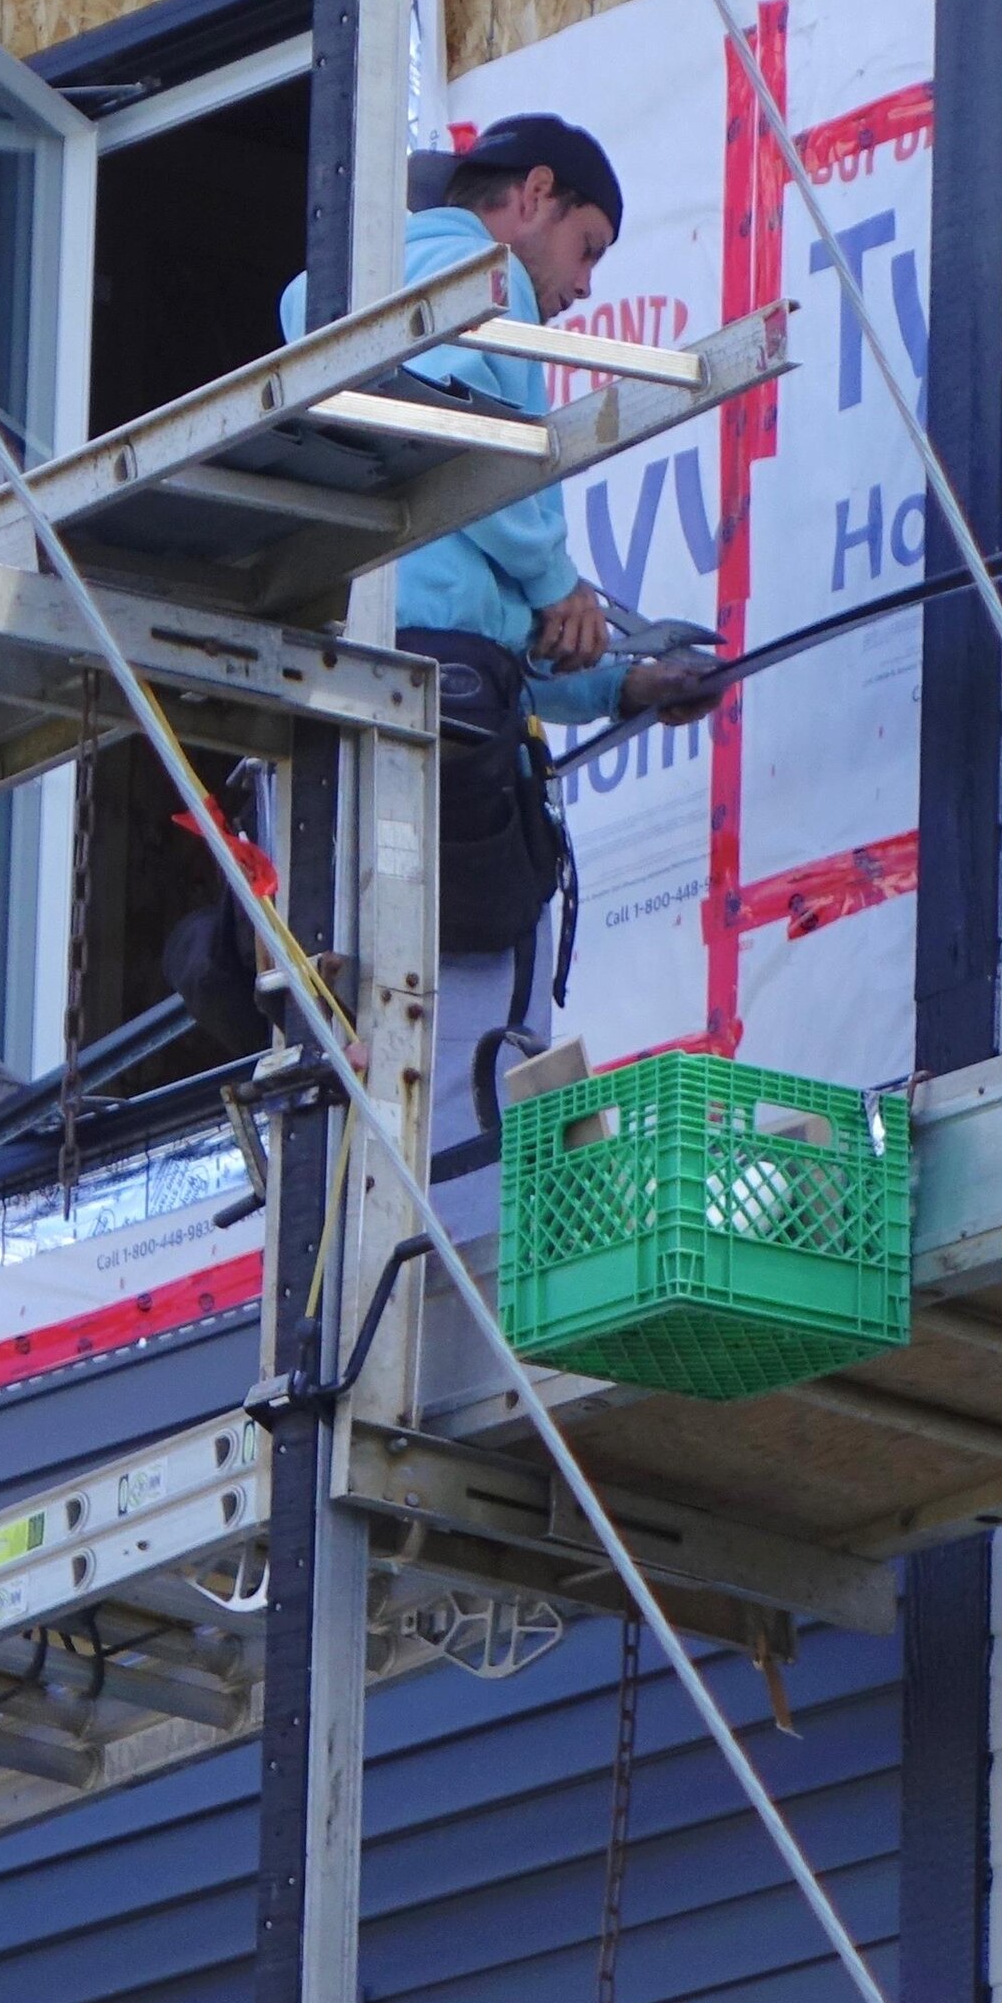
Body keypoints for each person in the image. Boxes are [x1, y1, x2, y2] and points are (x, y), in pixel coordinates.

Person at [273, 113, 713, 1212]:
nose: (581, 289)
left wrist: (617, 681)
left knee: (367, 985)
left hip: (365, 686)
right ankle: (473, 1200)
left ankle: (405, 1191)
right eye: (588, 247)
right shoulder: (479, 283)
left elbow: (486, 625)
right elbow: (460, 429)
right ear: (534, 195)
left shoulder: (350, 288)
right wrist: (559, 581)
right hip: (433, 698)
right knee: (474, 981)